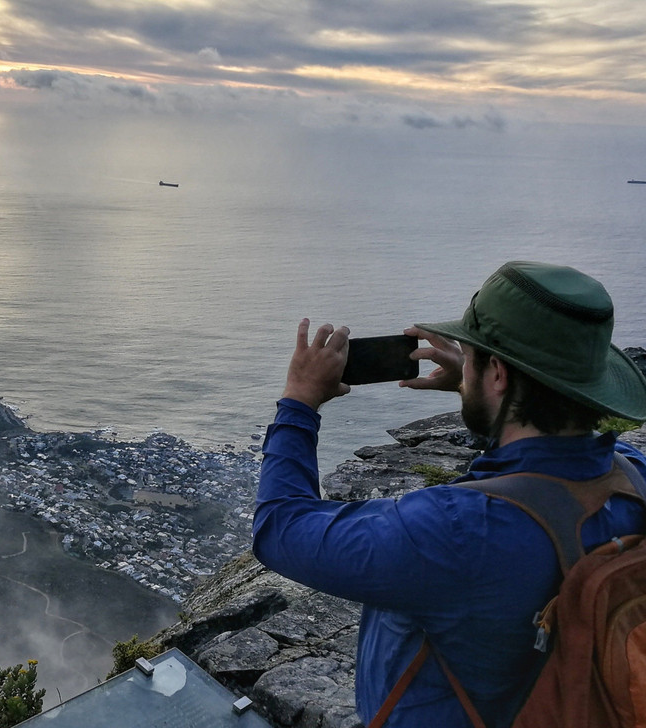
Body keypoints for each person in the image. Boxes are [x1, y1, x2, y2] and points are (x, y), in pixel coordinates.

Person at [251, 261, 646, 728]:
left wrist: (299, 401)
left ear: (498, 372)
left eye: (476, 355)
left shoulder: (453, 530)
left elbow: (279, 528)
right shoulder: (633, 475)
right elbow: (544, 453)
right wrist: (477, 385)